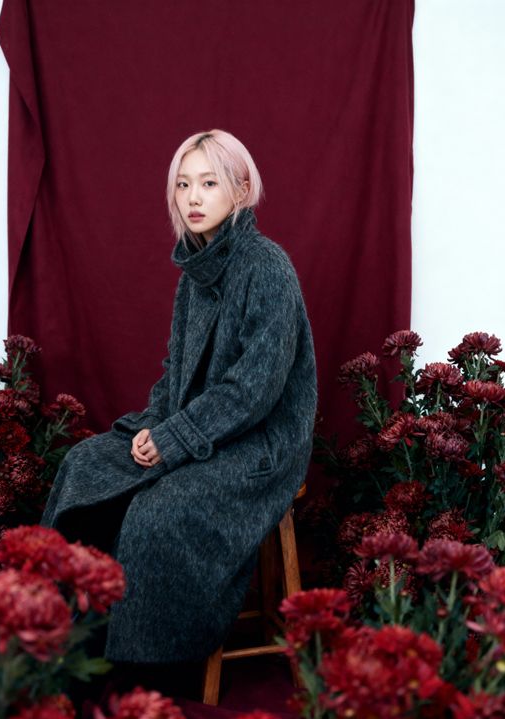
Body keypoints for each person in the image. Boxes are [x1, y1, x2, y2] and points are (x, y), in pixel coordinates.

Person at [41, 129, 317, 680]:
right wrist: (152, 426)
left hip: (261, 444)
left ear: (239, 190)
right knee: (86, 466)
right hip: (199, 428)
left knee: (157, 513)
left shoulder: (268, 269)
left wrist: (172, 440)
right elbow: (175, 373)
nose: (192, 197)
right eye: (183, 184)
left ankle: (142, 667)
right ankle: (62, 635)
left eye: (208, 183)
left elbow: (254, 392)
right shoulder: (196, 273)